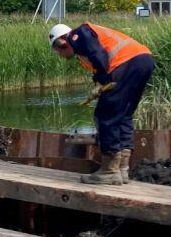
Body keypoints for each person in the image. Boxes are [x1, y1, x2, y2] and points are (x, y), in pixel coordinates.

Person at [48, 22, 154, 185]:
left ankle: (109, 171)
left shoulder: (77, 35)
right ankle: (122, 169)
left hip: (125, 63)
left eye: (58, 49)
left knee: (105, 115)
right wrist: (99, 83)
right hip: (143, 60)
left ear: (62, 41)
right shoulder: (83, 45)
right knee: (123, 115)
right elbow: (99, 60)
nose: (59, 55)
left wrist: (103, 81)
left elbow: (99, 55)